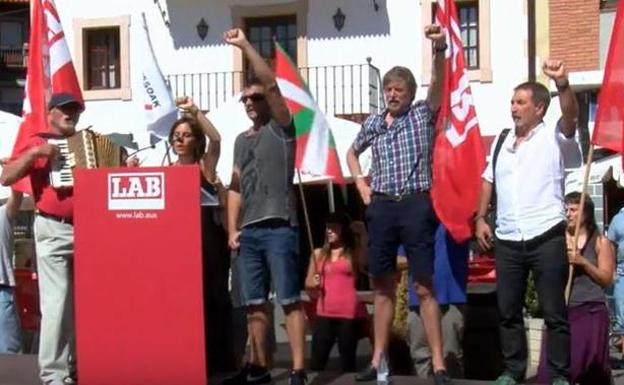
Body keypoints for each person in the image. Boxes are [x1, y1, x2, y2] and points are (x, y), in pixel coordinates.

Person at [346, 24, 451, 385]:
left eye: (399, 90)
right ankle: (378, 362)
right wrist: (361, 183)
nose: (392, 95)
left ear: (409, 94)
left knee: (424, 286)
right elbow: (351, 152)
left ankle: (438, 363)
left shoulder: (422, 115)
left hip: (415, 204)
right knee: (382, 286)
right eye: (388, 89)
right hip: (383, 207)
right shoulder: (374, 122)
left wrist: (439, 50)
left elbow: (437, 86)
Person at [475, 60, 581, 385]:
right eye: (512, 102)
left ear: (539, 108)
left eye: (520, 102)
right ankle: (513, 370)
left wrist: (562, 83)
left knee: (553, 313)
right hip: (508, 237)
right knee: (507, 311)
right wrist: (481, 217)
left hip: (545, 235)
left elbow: (571, 117)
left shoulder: (554, 135)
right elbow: (488, 179)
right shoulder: (501, 141)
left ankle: (560, 375)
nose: (513, 108)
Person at [223, 28, 306, 385]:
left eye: (255, 98)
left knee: (288, 299)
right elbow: (236, 186)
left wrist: (244, 45)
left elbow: (272, 85)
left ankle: (299, 369)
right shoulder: (241, 141)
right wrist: (231, 229)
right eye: (245, 99)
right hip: (250, 231)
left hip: (280, 226)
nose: (250, 104)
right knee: (254, 304)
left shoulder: (282, 127)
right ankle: (259, 367)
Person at [0, 92, 84, 385]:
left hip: (89, 230)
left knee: (81, 304)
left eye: (75, 109)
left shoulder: (89, 142)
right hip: (53, 228)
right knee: (57, 302)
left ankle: (73, 366)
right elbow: (6, 176)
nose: (70, 114)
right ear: (50, 113)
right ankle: (53, 374)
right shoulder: (36, 141)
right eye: (64, 109)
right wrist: (36, 154)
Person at [165, 96, 235, 372]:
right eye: (176, 136)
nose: (179, 140)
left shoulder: (204, 167)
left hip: (208, 240)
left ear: (196, 140)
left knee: (214, 297)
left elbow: (216, 139)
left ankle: (218, 360)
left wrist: (196, 113)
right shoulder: (165, 171)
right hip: (177, 245)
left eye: (186, 135)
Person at [537, 192, 614, 384]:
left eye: (573, 209)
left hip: (590, 310)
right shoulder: (557, 241)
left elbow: (607, 279)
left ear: (586, 213)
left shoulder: (600, 242)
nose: (568, 214)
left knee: (587, 369)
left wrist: (584, 263)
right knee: (550, 371)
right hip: (561, 311)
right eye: (566, 210)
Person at [304, 212, 368, 373]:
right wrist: (313, 283)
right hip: (324, 313)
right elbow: (308, 284)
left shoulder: (352, 252)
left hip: (348, 313)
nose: (329, 231)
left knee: (348, 363)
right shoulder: (318, 253)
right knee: (317, 361)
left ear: (343, 230)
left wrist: (363, 234)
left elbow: (365, 262)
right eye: (327, 227)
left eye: (334, 227)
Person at [406, 224, 469, 379]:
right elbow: (398, 257)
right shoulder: (411, 216)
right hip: (418, 300)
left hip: (450, 295)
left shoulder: (454, 215)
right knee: (421, 357)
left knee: (450, 357)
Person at [0, 185, 23, 354]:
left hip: (1, 291)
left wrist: (16, 169)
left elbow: (17, 198)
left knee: (9, 354)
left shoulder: (2, 214)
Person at [607, 204, 624, 354]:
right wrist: (611, 269)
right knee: (621, 311)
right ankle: (620, 342)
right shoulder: (617, 220)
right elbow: (610, 245)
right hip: (622, 273)